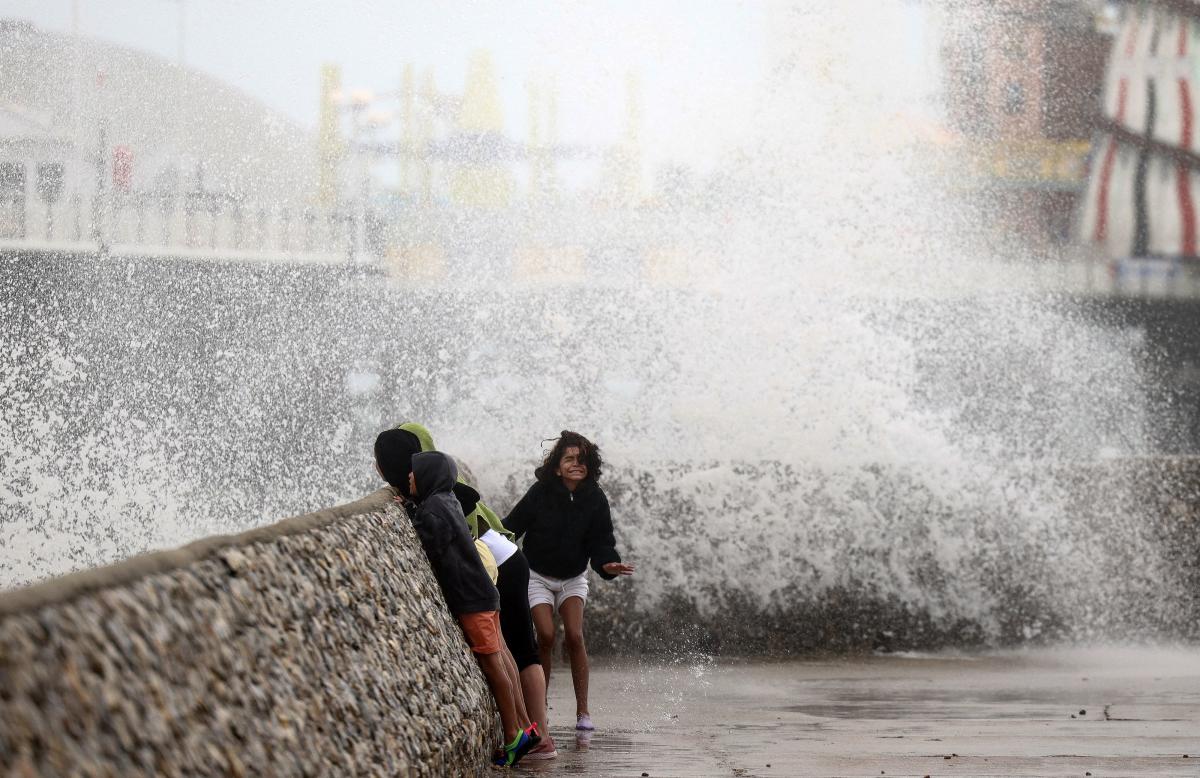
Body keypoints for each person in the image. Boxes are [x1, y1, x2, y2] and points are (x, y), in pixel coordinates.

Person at [386, 422, 557, 760]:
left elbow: (426, 540)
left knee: (499, 659)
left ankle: (515, 735)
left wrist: (406, 510)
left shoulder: (436, 508)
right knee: (508, 652)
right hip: (493, 583)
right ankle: (529, 729)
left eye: (414, 475)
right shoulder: (449, 498)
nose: (408, 478)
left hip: (479, 593)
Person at [503, 430, 635, 732]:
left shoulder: (595, 497)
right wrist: (487, 541)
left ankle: (583, 713)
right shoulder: (541, 492)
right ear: (558, 465)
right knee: (546, 636)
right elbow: (512, 526)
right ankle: (541, 708)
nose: (577, 464)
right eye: (570, 459)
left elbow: (601, 542)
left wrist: (607, 564)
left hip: (573, 578)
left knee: (575, 636)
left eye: (582, 460)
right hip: (536, 575)